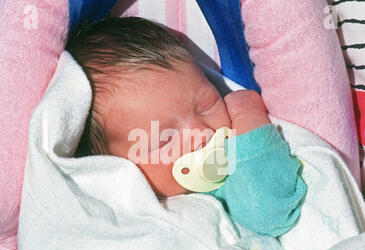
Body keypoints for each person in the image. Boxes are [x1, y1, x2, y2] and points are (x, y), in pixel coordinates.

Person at [66, 16, 307, 237]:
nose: (202, 133)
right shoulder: (118, 216)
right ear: (111, 165)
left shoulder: (230, 178)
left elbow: (269, 213)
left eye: (207, 105)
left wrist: (249, 118)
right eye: (164, 139)